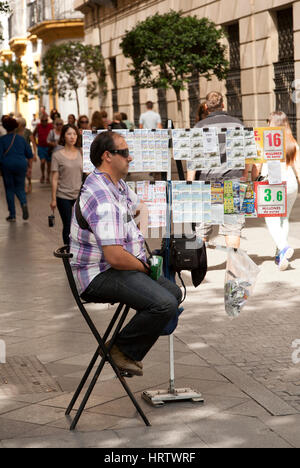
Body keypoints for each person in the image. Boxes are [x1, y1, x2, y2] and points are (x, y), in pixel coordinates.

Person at [69, 131, 182, 376]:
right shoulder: (102, 196)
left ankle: (126, 346)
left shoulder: (115, 184)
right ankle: (121, 350)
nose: (130, 158)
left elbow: (139, 206)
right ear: (107, 156)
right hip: (98, 274)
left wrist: (139, 240)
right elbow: (115, 257)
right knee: (164, 304)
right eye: (125, 152)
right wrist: (143, 267)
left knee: (173, 291)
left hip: (117, 265)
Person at [187, 91, 249, 249]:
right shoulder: (237, 124)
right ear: (223, 105)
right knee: (233, 229)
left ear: (207, 107)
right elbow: (247, 156)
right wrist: (244, 176)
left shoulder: (199, 127)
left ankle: (200, 271)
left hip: (206, 185)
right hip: (232, 183)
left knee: (202, 231)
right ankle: (232, 269)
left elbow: (193, 162)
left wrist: (189, 185)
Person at [252, 111, 300, 271]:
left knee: (271, 219)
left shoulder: (264, 140)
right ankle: (281, 255)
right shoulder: (292, 142)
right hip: (291, 183)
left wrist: (254, 179)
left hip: (272, 182)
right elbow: (298, 167)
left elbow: (257, 165)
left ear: (272, 122)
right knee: (283, 218)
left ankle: (283, 247)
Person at [50, 124, 83, 245]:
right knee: (68, 225)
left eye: (74, 134)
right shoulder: (57, 156)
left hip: (79, 196)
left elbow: (87, 173)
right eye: (69, 134)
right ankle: (68, 251)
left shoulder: (81, 153)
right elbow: (54, 179)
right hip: (63, 196)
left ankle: (79, 249)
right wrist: (53, 199)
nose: (72, 137)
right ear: (63, 136)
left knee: (80, 225)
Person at [0, 117, 33, 222]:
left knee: (9, 189)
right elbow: (29, 154)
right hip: (21, 164)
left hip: (7, 165)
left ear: (5, 127)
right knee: (20, 187)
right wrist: (30, 168)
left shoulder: (2, 140)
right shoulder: (21, 139)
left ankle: (12, 215)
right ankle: (23, 203)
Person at [16, 117, 38, 193]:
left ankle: (29, 182)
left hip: (27, 154)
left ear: (21, 124)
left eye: (18, 123)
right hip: (19, 154)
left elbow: (33, 143)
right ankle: (24, 186)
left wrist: (35, 154)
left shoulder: (28, 132)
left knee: (28, 171)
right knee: (22, 171)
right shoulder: (15, 131)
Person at [33, 113, 53, 184]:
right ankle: (43, 175)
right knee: (43, 162)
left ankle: (48, 176)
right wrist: (35, 143)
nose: (44, 122)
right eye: (43, 120)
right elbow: (33, 135)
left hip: (49, 147)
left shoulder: (51, 126)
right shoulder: (38, 126)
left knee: (49, 164)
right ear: (40, 121)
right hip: (41, 147)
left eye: (45, 120)